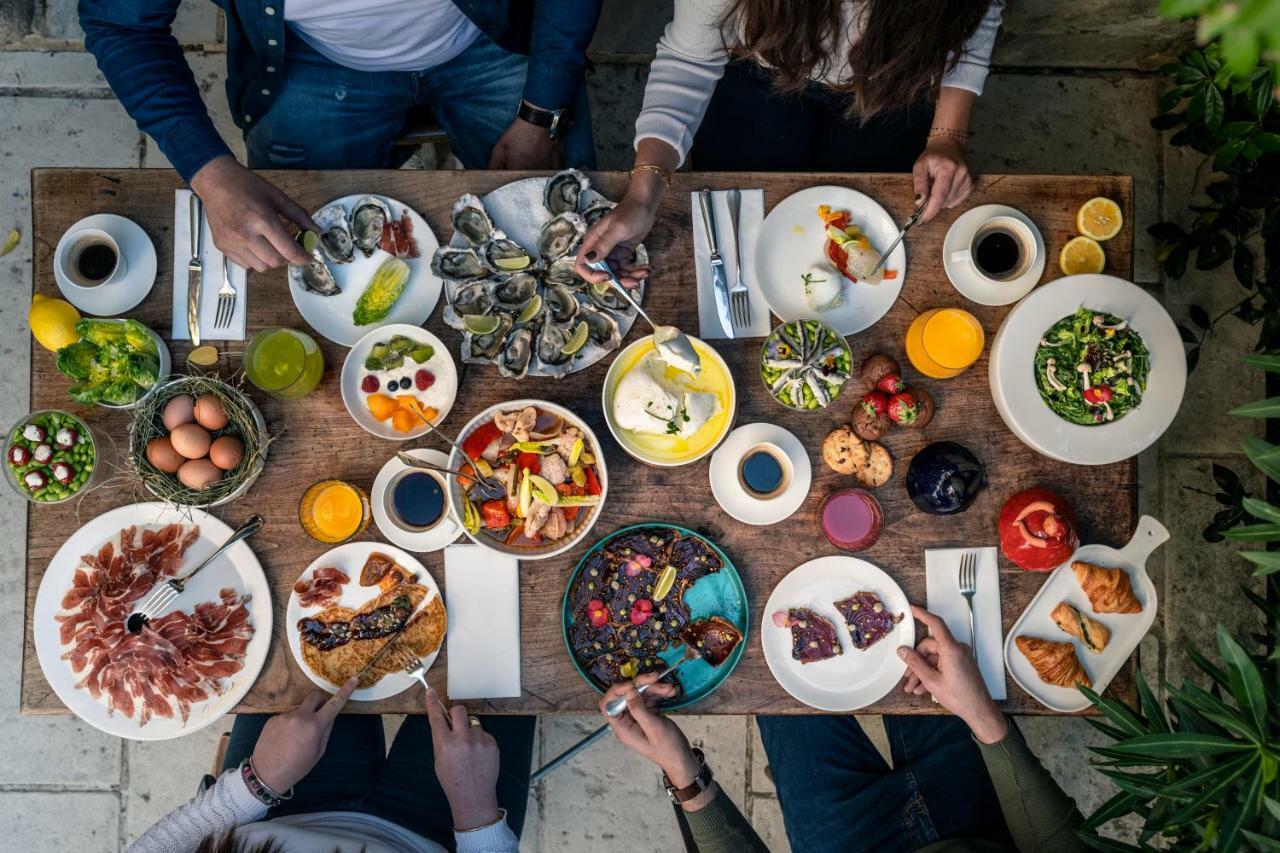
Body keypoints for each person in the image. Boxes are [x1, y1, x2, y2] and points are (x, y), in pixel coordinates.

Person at [80, 0, 603, 273]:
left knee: (565, 228)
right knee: (291, 246)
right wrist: (209, 172)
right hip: (311, 57)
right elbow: (122, 24)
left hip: (490, 34)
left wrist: (544, 109)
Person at [576, 0, 1004, 285]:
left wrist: (948, 135)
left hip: (892, 85)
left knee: (876, 227)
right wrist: (642, 196)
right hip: (759, 71)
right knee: (744, 225)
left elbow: (974, 10)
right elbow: (689, 59)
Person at [604, 606, 1085, 853]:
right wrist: (983, 715)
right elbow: (1066, 848)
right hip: (988, 828)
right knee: (921, 643)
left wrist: (683, 773)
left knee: (776, 678)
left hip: (851, 843)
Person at [130, 678, 535, 853]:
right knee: (493, 657)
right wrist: (476, 813)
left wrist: (257, 783)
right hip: (442, 827)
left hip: (284, 801)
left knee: (309, 627)